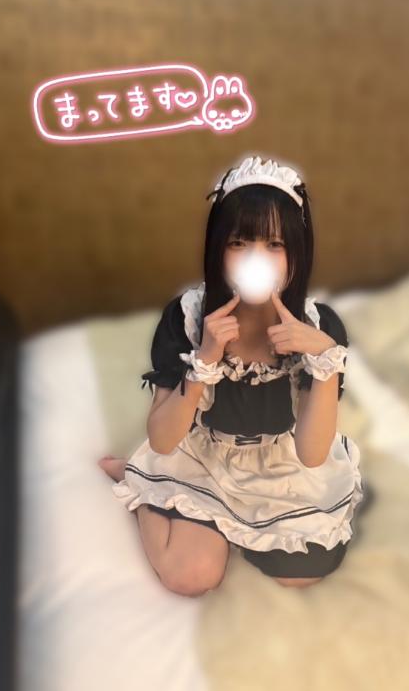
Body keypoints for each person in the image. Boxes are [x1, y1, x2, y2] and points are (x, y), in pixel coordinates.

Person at [99, 155, 369, 597]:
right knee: (190, 576)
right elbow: (163, 439)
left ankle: (230, 524)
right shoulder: (188, 318)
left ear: (297, 254)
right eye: (240, 242)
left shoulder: (320, 329)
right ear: (218, 249)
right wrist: (205, 359)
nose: (256, 259)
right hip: (204, 458)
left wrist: (323, 360)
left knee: (301, 572)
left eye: (274, 244)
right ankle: (140, 486)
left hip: (279, 464)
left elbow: (312, 453)